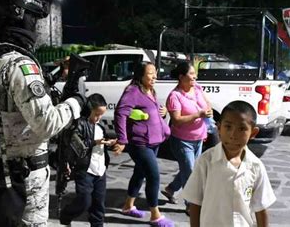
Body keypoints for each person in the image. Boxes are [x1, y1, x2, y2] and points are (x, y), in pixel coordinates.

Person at [0, 0, 84, 226]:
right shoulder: (19, 64)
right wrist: (75, 103)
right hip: (27, 175)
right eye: (33, 21)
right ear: (20, 19)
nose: (34, 28)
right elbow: (47, 124)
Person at [182, 101, 276, 227]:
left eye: (242, 129)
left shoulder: (256, 166)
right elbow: (195, 203)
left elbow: (261, 207)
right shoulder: (206, 161)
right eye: (228, 127)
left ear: (253, 133)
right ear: (219, 128)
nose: (233, 135)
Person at [112, 62, 174, 227]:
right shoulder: (133, 91)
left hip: (154, 141)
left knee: (139, 173)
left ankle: (128, 206)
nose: (155, 77)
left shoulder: (149, 90)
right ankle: (155, 215)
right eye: (150, 73)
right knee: (154, 176)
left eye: (155, 73)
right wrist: (122, 139)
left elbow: (151, 112)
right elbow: (120, 113)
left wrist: (164, 118)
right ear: (140, 75)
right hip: (140, 143)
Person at [59, 93, 116, 226]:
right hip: (85, 170)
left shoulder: (100, 127)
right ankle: (67, 214)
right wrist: (95, 142)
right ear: (89, 110)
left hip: (100, 170)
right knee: (84, 201)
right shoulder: (80, 124)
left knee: (99, 206)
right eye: (96, 114)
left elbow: (103, 144)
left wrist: (111, 143)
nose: (99, 118)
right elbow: (77, 145)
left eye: (101, 114)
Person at [161, 62, 212, 211]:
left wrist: (208, 111)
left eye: (194, 73)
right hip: (182, 141)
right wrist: (198, 114)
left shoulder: (197, 88)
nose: (195, 76)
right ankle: (191, 205)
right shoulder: (174, 96)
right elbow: (176, 120)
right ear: (181, 77)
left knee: (190, 169)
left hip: (198, 137)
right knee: (190, 172)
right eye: (191, 74)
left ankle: (170, 189)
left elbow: (207, 102)